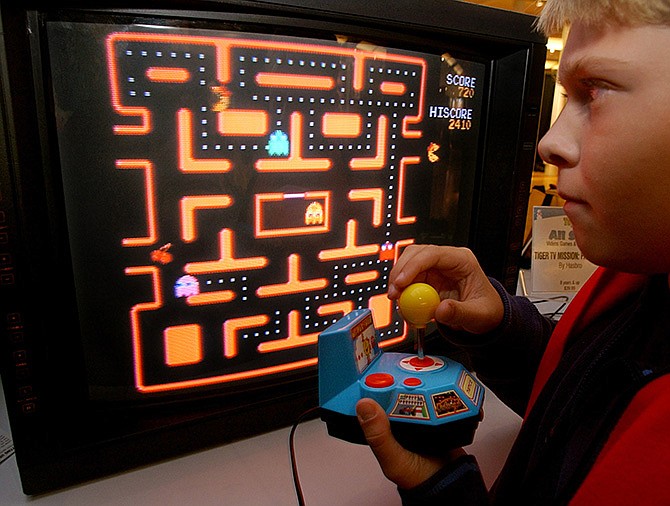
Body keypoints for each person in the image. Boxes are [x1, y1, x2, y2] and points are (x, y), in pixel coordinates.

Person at [355, 0, 670, 503]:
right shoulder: (644, 273)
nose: (550, 141)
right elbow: (588, 408)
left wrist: (445, 490)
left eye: (597, 90)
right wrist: (500, 326)